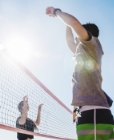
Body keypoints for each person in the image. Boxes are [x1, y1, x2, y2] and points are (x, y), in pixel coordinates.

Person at [46, 7, 114, 140]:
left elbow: (74, 23)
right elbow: (70, 42)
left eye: (79, 35)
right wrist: (66, 25)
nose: (76, 39)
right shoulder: (84, 53)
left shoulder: (90, 44)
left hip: (93, 112)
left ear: (86, 34)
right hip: (93, 113)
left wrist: (56, 12)